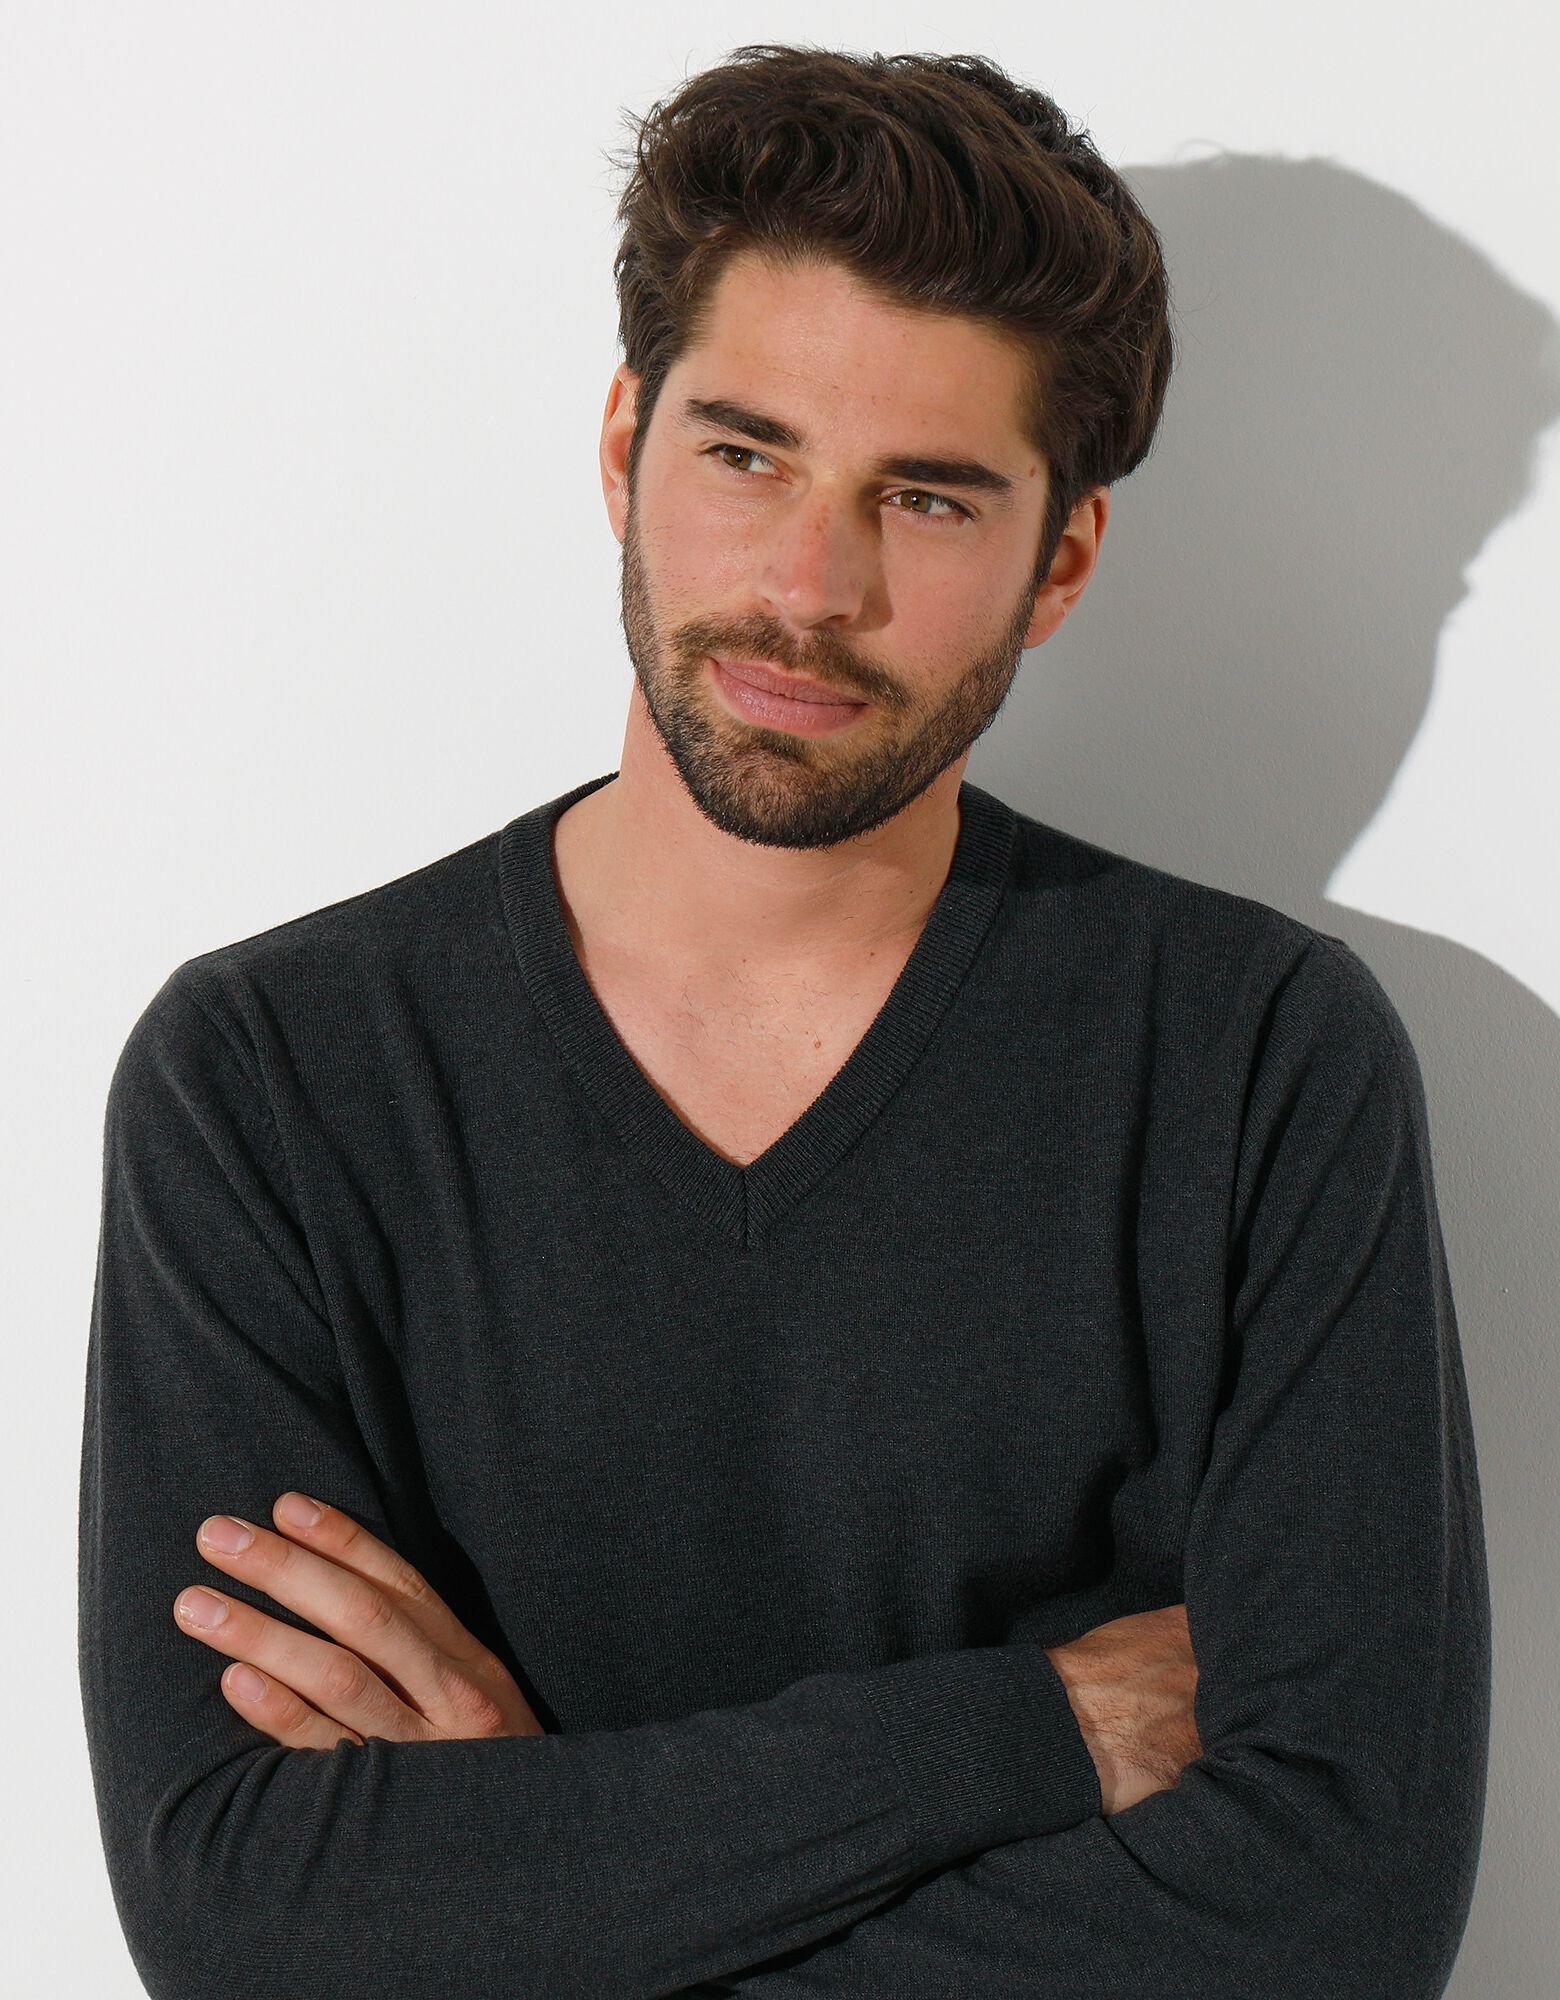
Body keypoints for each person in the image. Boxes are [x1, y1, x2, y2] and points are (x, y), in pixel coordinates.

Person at [77, 42, 1490, 1999]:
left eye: (926, 497)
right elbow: (238, 1919)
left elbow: (1339, 1925)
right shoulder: (271, 1074)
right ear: (622, 448)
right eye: (746, 457)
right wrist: (1024, 1730)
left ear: (1061, 562)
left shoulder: (1259, 1058)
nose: (809, 589)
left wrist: (521, 1877)